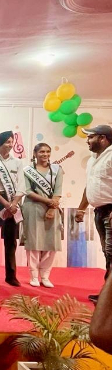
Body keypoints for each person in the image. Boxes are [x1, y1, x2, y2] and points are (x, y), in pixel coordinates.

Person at [75, 125, 112, 303]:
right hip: (99, 212)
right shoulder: (93, 159)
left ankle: (108, 300)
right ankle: (107, 296)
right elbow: (90, 186)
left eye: (91, 137)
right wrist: (81, 208)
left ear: (102, 138)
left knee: (111, 253)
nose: (87, 141)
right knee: (107, 252)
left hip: (111, 212)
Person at [0, 131, 25, 286]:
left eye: (12, 142)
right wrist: (6, 204)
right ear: (0, 144)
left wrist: (13, 204)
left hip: (14, 202)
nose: (10, 144)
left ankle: (11, 275)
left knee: (11, 240)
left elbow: (21, 186)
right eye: (7, 142)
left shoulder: (17, 162)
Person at [22, 143, 63, 287]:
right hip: (33, 208)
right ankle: (34, 276)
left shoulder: (57, 169)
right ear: (35, 154)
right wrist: (48, 201)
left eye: (47, 151)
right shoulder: (27, 170)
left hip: (52, 209)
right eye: (41, 152)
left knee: (51, 243)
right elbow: (28, 191)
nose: (45, 154)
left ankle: (45, 276)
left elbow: (58, 191)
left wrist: (52, 208)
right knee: (34, 242)